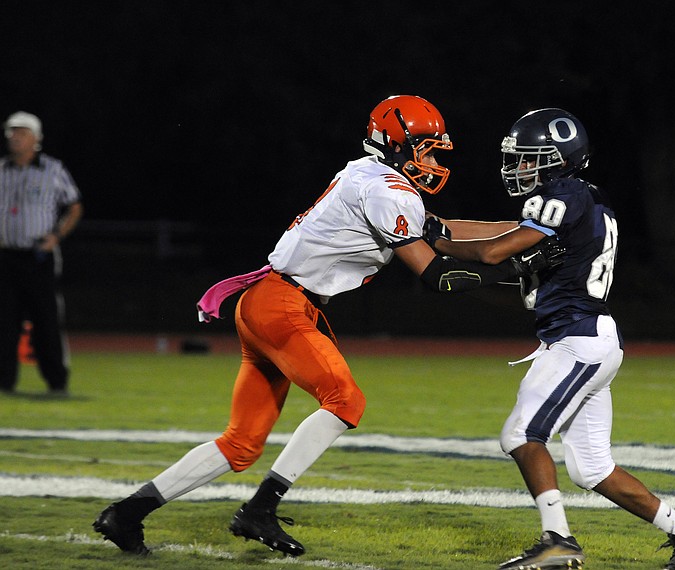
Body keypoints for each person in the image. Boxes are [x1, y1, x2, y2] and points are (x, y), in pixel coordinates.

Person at [92, 95, 560, 557]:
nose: (434, 160)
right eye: (428, 149)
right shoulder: (386, 190)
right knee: (346, 400)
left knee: (241, 443)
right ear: (400, 144)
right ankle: (260, 508)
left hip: (266, 303)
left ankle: (127, 514)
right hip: (282, 307)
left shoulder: (369, 174)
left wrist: (528, 229)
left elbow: (447, 229)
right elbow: (436, 274)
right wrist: (519, 266)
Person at [423, 108, 675, 570]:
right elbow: (504, 237)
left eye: (529, 159)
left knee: (521, 434)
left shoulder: (563, 195)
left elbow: (493, 249)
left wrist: (436, 246)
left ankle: (558, 540)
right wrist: (440, 227)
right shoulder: (583, 200)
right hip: (590, 337)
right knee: (591, 468)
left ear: (558, 159)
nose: (519, 168)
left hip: (577, 338)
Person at [0, 111, 83, 397]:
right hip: (5, 256)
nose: (14, 137)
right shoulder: (1, 170)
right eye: (11, 132)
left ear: (35, 138)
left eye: (21, 132)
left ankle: (57, 382)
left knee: (46, 320)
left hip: (37, 256)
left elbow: (74, 206)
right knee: (4, 321)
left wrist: (56, 236)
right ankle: (4, 382)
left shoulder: (52, 169)